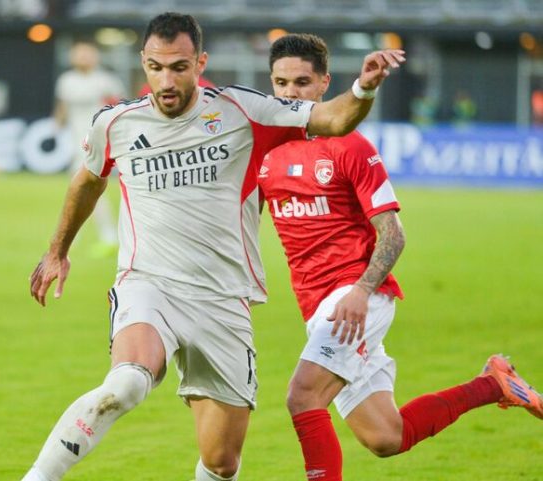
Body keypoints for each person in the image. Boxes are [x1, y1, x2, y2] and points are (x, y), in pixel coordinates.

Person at [23, 13, 405, 481]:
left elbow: (333, 116)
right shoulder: (116, 123)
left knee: (222, 462)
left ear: (200, 63)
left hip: (224, 301)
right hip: (150, 284)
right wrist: (57, 250)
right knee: (126, 382)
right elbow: (86, 182)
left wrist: (363, 88)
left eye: (179, 67)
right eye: (156, 67)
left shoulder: (243, 110)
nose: (167, 79)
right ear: (143, 63)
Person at [259, 33, 542, 481]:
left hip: (356, 299)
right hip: (315, 307)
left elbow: (393, 233)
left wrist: (362, 290)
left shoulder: (350, 146)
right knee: (385, 436)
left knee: (302, 397)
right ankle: (494, 383)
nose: (291, 93)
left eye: (301, 82)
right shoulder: (266, 148)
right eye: (281, 83)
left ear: (324, 83)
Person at [53, 41, 125, 255]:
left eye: (87, 53)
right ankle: (96, 236)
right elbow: (62, 108)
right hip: (75, 141)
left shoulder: (105, 80)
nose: (83, 57)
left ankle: (103, 236)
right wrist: (56, 127)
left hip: (98, 141)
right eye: (79, 53)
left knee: (84, 188)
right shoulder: (66, 81)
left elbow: (120, 107)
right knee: (83, 189)